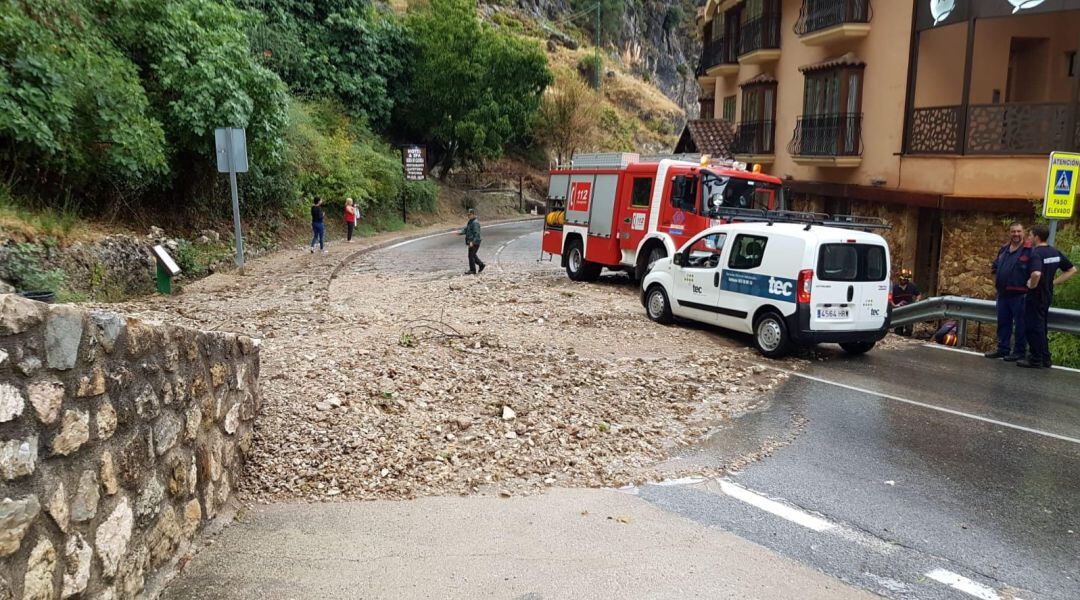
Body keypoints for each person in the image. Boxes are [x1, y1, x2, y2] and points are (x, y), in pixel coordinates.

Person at [1017, 224, 1077, 368]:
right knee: (1041, 326)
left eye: (1030, 235)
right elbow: (1072, 270)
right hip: (1047, 294)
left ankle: (1035, 358)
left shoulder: (1035, 253)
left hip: (1036, 295)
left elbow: (1036, 273)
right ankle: (1045, 358)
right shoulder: (1055, 252)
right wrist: (1053, 282)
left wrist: (1032, 285)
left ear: (1036, 237)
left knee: (1032, 326)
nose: (1029, 238)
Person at [985, 222, 1031, 361]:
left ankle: (1019, 352)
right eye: (1013, 232)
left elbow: (1035, 270)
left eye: (1018, 231)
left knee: (1020, 325)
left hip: (1020, 295)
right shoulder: (1004, 249)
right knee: (1003, 323)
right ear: (1009, 233)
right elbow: (994, 267)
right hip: (1003, 294)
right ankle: (1003, 349)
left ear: (1023, 232)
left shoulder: (1029, 250)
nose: (1016, 234)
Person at [891, 268, 921, 336]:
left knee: (909, 328)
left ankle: (907, 335)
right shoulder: (894, 288)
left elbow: (918, 294)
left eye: (905, 279)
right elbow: (890, 299)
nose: (903, 281)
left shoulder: (912, 286)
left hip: (909, 310)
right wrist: (894, 305)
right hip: (899, 309)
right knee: (898, 329)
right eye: (902, 279)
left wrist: (917, 301)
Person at [458, 208, 485, 274]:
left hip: (475, 242)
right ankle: (481, 265)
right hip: (471, 242)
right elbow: (466, 229)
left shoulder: (475, 223)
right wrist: (460, 233)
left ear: (473, 214)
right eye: (468, 215)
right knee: (473, 255)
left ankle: (473, 270)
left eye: (470, 215)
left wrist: (472, 242)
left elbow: (477, 234)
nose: (468, 216)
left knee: (471, 256)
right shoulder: (470, 222)